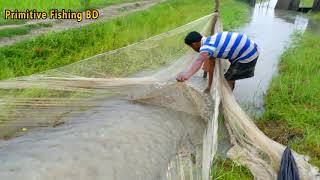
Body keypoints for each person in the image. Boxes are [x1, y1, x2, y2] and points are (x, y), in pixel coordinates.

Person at [176, 31, 259, 91]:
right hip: (248, 49)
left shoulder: (207, 46)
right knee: (230, 76)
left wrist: (186, 76)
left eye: (191, 47)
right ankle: (229, 93)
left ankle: (227, 100)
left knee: (227, 80)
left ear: (194, 44)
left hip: (247, 55)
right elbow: (211, 67)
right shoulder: (210, 40)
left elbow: (199, 60)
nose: (193, 49)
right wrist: (209, 86)